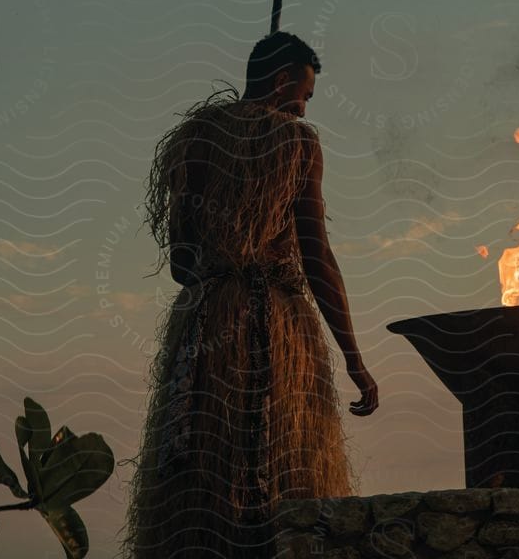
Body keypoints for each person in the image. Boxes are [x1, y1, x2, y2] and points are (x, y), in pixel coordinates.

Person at [122, 31, 379, 558]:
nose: (304, 108)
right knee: (284, 469)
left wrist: (227, 255)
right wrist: (355, 360)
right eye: (304, 95)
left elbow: (180, 263)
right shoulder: (298, 143)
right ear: (283, 79)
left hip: (205, 326)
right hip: (280, 329)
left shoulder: (195, 139)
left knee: (203, 475)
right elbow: (317, 255)